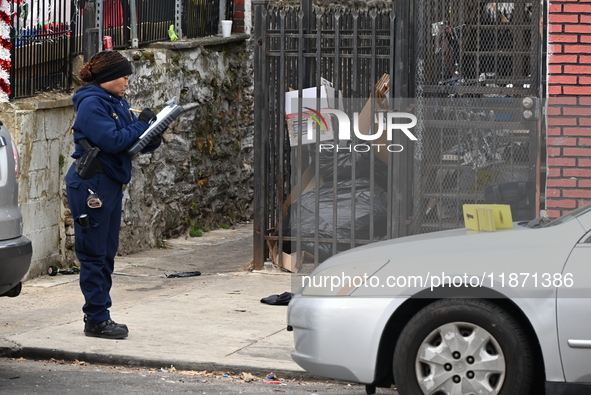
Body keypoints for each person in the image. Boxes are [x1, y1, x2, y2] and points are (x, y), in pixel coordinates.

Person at [65, 50, 160, 339]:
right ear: (107, 78)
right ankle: (95, 319)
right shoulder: (92, 105)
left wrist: (153, 132)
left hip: (109, 183)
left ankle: (99, 315)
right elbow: (113, 139)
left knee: (106, 253)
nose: (127, 83)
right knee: (94, 253)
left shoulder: (114, 102)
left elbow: (128, 143)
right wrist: (141, 125)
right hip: (92, 184)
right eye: (124, 77)